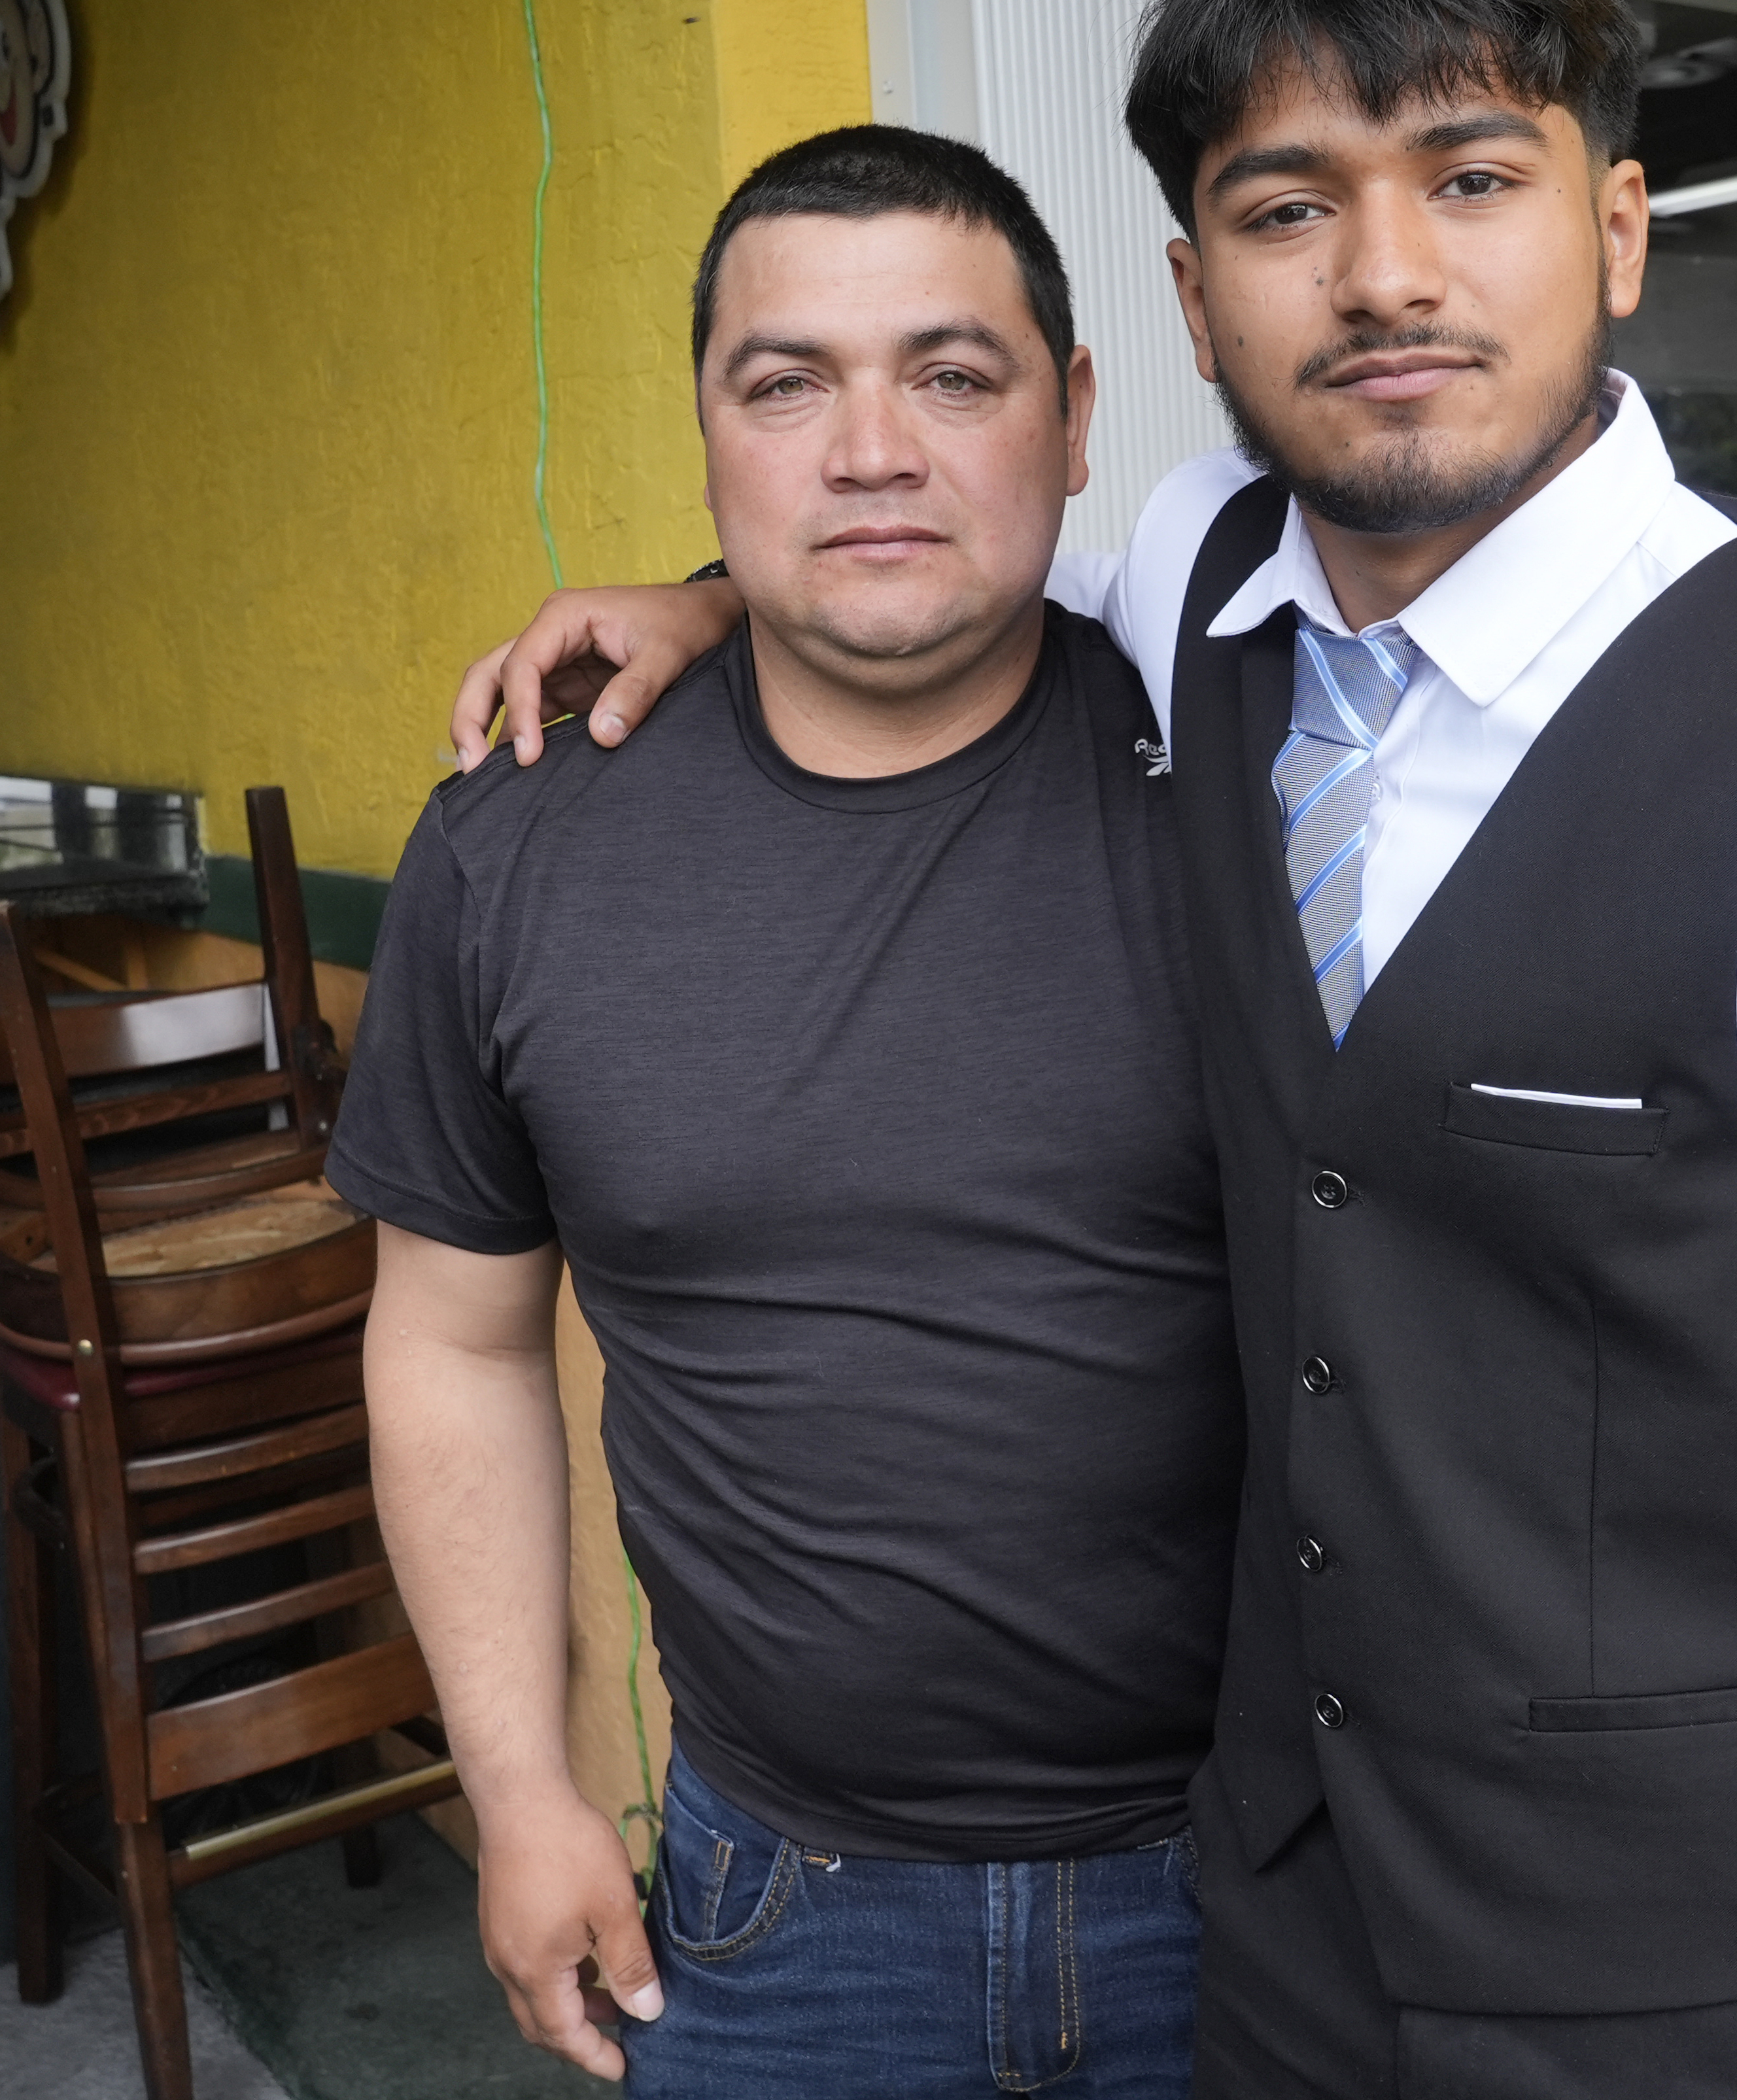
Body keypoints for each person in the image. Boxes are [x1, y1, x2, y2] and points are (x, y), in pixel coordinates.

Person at [449, 0, 1737, 2100]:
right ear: (1199, 304)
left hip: (1721, 2005)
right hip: (1287, 1961)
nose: (1388, 273)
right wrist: (699, 602)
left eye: (1475, 175)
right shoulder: (1190, 601)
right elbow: (910, 549)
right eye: (1290, 206)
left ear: (1615, 232)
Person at [343, 130, 1227, 2097]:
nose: (872, 449)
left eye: (954, 374)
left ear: (1075, 418)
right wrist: (520, 1788)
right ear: (713, 436)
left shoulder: (1266, 783)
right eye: (786, 384)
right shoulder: (521, 843)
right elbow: (452, 1337)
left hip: (1261, 1891)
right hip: (778, 1920)